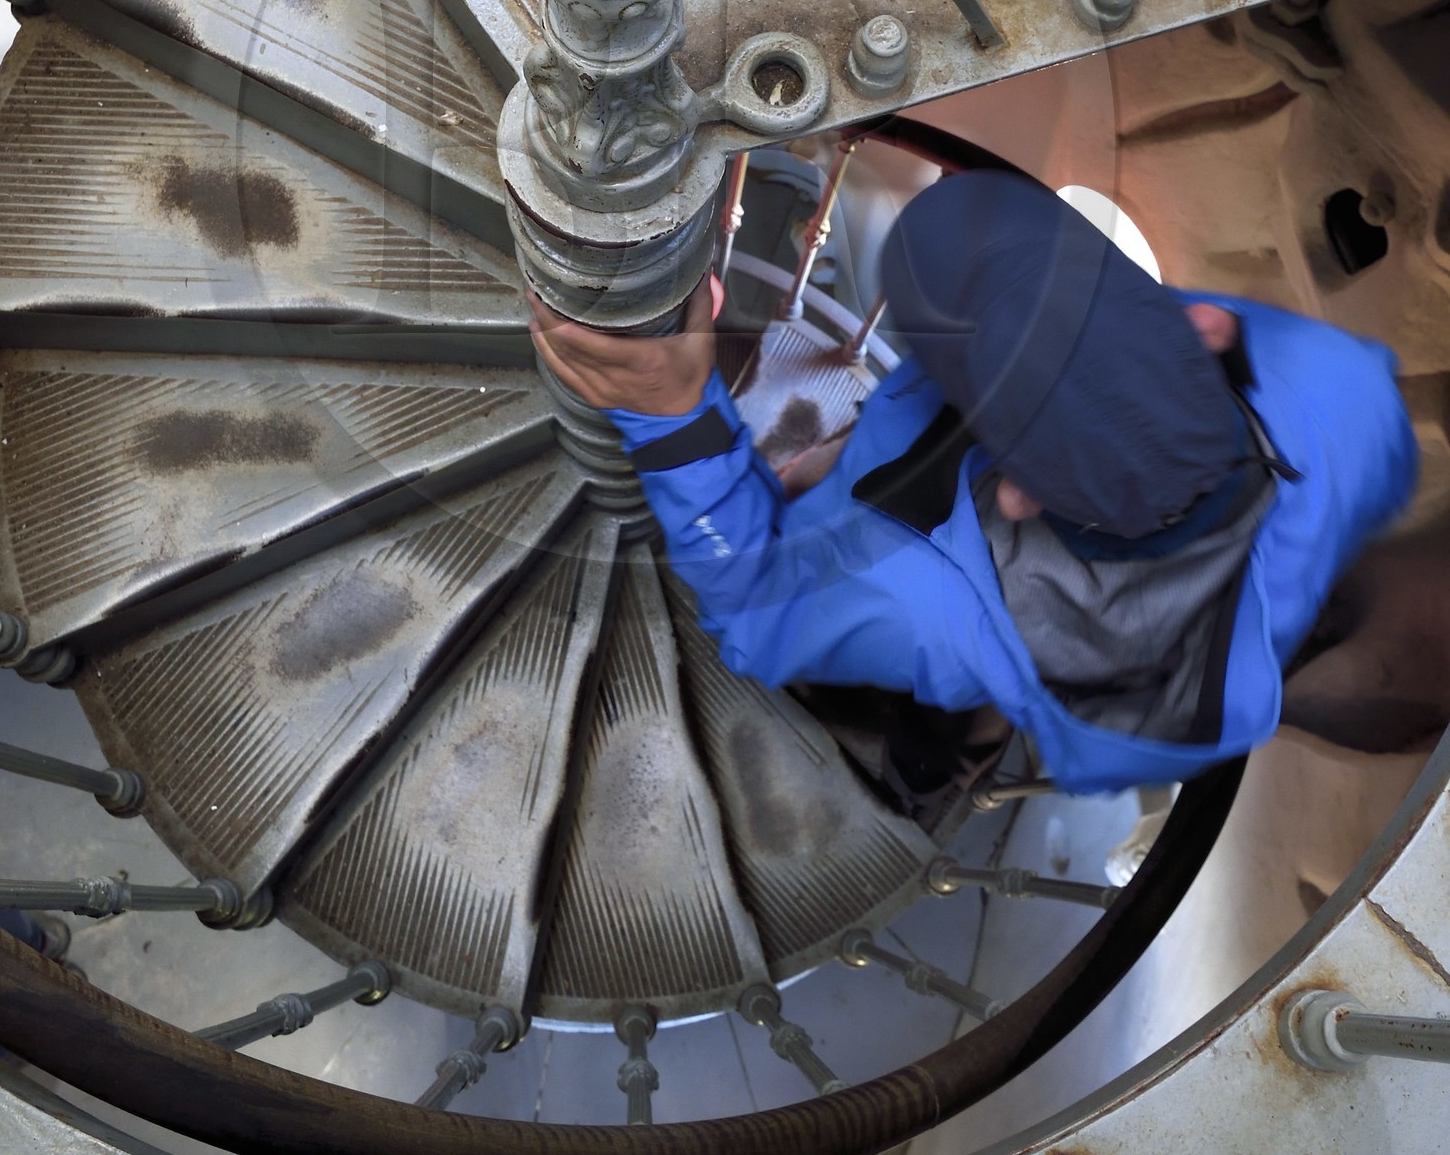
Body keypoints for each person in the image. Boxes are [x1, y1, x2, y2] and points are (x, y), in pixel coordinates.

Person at [530, 169, 1420, 799]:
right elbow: (1387, 472)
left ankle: (931, 766)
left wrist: (676, 418)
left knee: (934, 715)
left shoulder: (919, 593)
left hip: (1047, 676)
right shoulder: (1344, 391)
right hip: (1187, 680)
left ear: (1016, 496)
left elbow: (756, 613)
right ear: (1204, 326)